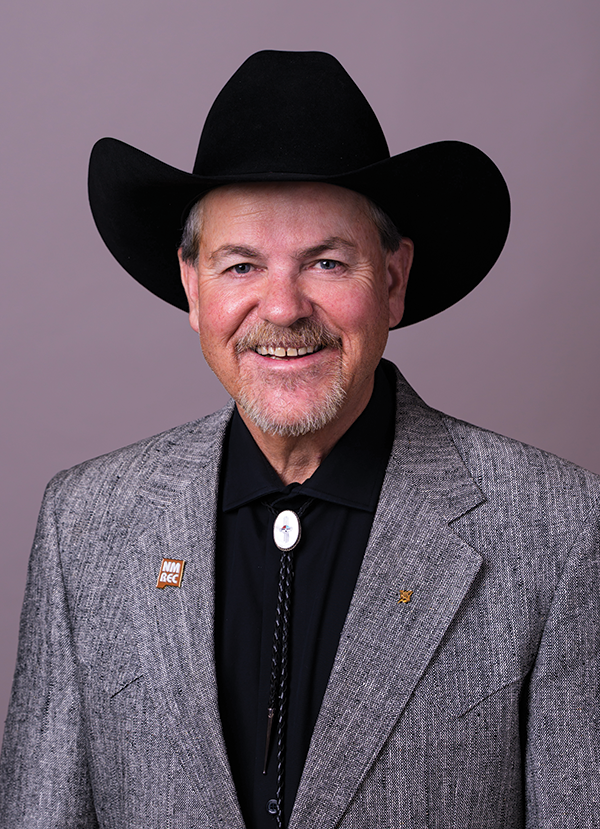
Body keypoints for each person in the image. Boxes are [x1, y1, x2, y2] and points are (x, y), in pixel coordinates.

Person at [0, 50, 598, 829]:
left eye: (326, 262)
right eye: (241, 266)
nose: (282, 309)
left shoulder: (557, 528)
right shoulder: (84, 525)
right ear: (192, 286)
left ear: (392, 281)